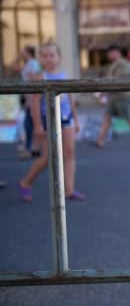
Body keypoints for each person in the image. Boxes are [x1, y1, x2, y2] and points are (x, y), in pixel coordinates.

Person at [18, 43, 85, 202]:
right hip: (48, 120)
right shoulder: (40, 77)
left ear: (59, 58)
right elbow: (34, 103)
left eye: (52, 55)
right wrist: (38, 126)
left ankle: (69, 190)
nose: (48, 59)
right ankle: (26, 182)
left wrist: (75, 120)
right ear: (40, 58)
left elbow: (70, 99)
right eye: (44, 56)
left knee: (69, 153)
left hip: (66, 118)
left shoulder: (64, 76)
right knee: (49, 157)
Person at [95, 45, 130, 148]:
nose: (108, 55)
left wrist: (104, 87)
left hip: (121, 95)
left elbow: (120, 78)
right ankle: (100, 140)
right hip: (113, 96)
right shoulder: (114, 64)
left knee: (129, 118)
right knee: (107, 117)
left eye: (109, 53)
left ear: (115, 52)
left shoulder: (122, 63)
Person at [18, 45, 42, 159]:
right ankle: (34, 148)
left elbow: (35, 80)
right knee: (31, 124)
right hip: (29, 97)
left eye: (23, 51)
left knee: (30, 124)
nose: (21, 53)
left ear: (28, 52)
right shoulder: (27, 64)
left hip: (33, 98)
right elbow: (14, 67)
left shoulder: (33, 64)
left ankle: (30, 149)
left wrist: (31, 98)